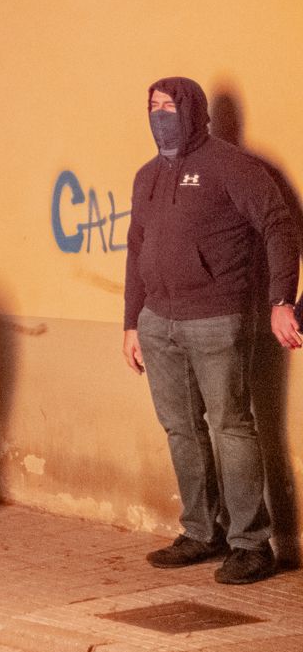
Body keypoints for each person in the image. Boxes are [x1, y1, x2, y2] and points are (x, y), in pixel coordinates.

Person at [123, 78, 301, 585]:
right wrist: (132, 322)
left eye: (169, 106)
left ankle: (252, 544)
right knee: (181, 428)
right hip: (159, 321)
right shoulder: (147, 176)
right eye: (152, 106)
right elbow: (136, 250)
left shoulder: (229, 165)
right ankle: (202, 532)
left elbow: (279, 226)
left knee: (231, 425)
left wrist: (280, 300)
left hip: (217, 316)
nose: (160, 115)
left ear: (194, 111)